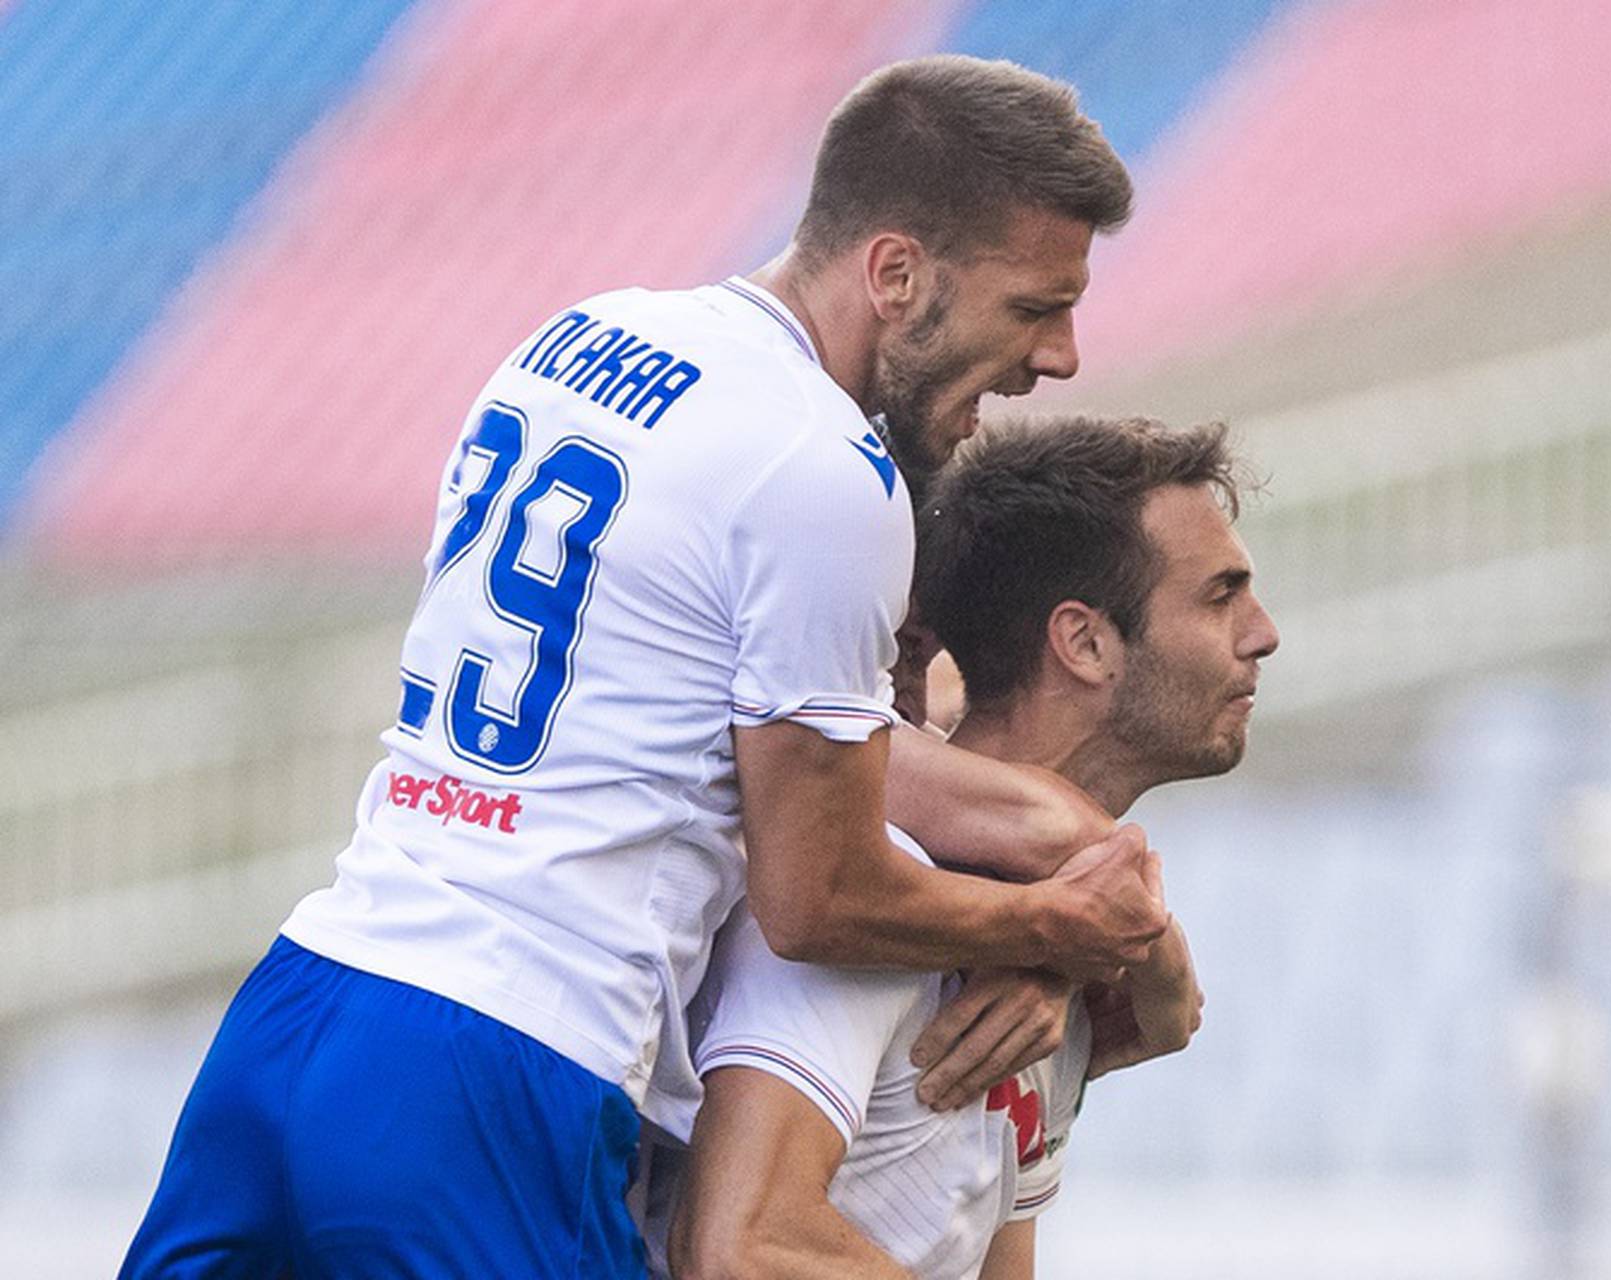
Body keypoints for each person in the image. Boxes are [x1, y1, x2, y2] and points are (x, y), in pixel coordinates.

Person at [122, 56, 1161, 1280]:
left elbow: (804, 760)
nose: (1065, 354)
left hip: (303, 1000)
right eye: (1036, 306)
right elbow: (816, 891)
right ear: (896, 273)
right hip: (502, 1059)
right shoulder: (825, 470)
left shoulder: (583, 337)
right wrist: (1053, 921)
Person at [665, 415, 1280, 1279]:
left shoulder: (1058, 961)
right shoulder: (881, 893)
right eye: (1222, 595)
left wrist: (1117, 947)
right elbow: (742, 1249)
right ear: (1085, 641)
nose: (1263, 633)